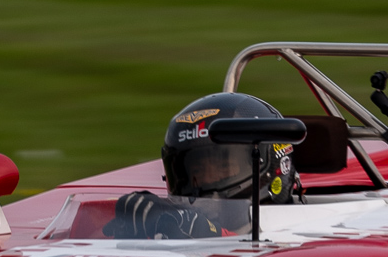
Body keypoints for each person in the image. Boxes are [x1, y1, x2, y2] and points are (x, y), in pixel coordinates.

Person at [104, 92, 301, 239]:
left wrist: (208, 233)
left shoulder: (310, 235)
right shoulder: (178, 224)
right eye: (195, 171)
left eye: (222, 167)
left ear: (269, 165)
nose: (205, 180)